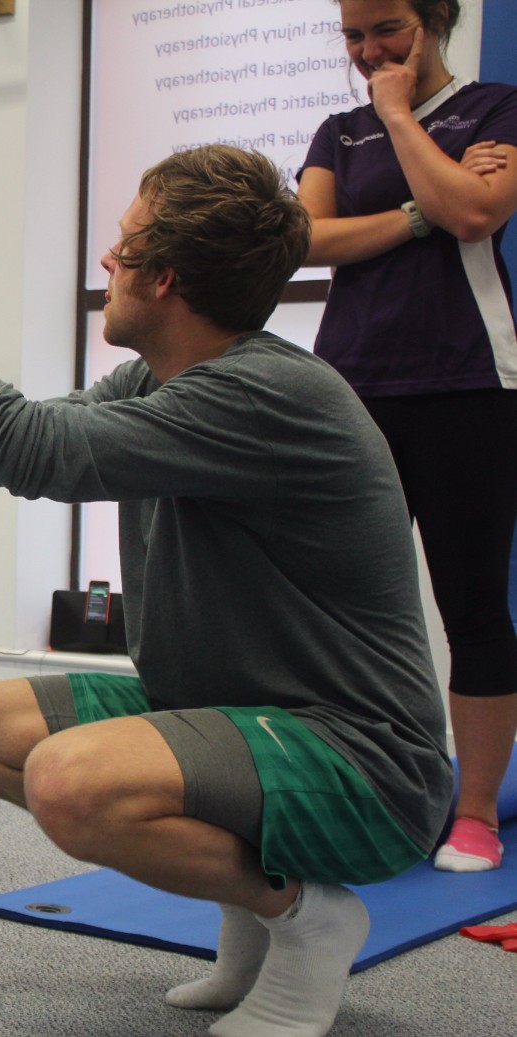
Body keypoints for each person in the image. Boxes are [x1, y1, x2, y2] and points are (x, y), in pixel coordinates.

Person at [0, 145, 453, 1037]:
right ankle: (255, 912)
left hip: (363, 763)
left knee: (70, 783)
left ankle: (307, 917)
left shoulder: (267, 394)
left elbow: (33, 448)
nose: (105, 261)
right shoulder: (161, 379)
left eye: (122, 245)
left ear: (163, 277)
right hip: (228, 710)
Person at [298, 0, 517, 873]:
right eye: (352, 37)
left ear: (433, 21)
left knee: (468, 603)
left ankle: (473, 813)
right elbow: (304, 240)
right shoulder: (334, 131)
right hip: (349, 387)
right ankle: (372, 788)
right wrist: (420, 209)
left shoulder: (494, 107)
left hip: (466, 382)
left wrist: (398, 115)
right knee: (342, 609)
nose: (367, 52)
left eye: (386, 29)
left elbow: (474, 214)